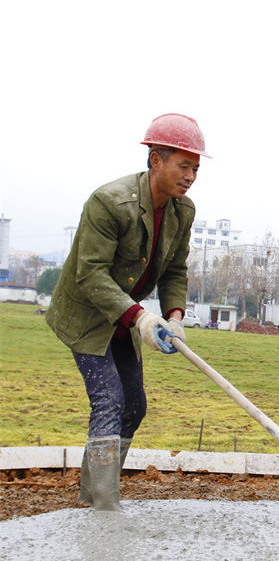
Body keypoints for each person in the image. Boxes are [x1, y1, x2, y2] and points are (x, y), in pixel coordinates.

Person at [46, 113, 210, 511]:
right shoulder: (109, 202)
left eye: (196, 168)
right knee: (109, 402)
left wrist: (172, 316)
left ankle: (90, 496)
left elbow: (174, 269)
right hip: (87, 316)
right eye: (183, 165)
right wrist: (140, 317)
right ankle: (102, 506)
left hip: (125, 318)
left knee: (134, 406)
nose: (190, 176)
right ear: (156, 160)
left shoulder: (181, 211)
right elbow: (91, 273)